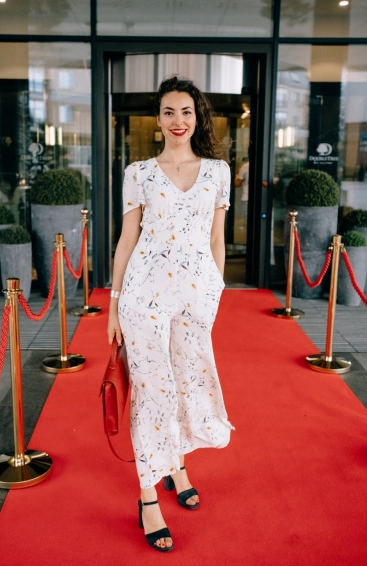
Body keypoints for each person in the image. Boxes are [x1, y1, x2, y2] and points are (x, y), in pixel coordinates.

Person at [107, 76, 234, 552]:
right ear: (157, 120)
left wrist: (214, 293)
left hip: (195, 299)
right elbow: (127, 240)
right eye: (168, 112)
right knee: (151, 392)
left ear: (196, 118)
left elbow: (217, 239)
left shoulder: (218, 171)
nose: (177, 120)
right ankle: (147, 496)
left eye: (186, 111)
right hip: (143, 297)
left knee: (183, 385)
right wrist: (114, 305)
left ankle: (176, 466)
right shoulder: (139, 172)